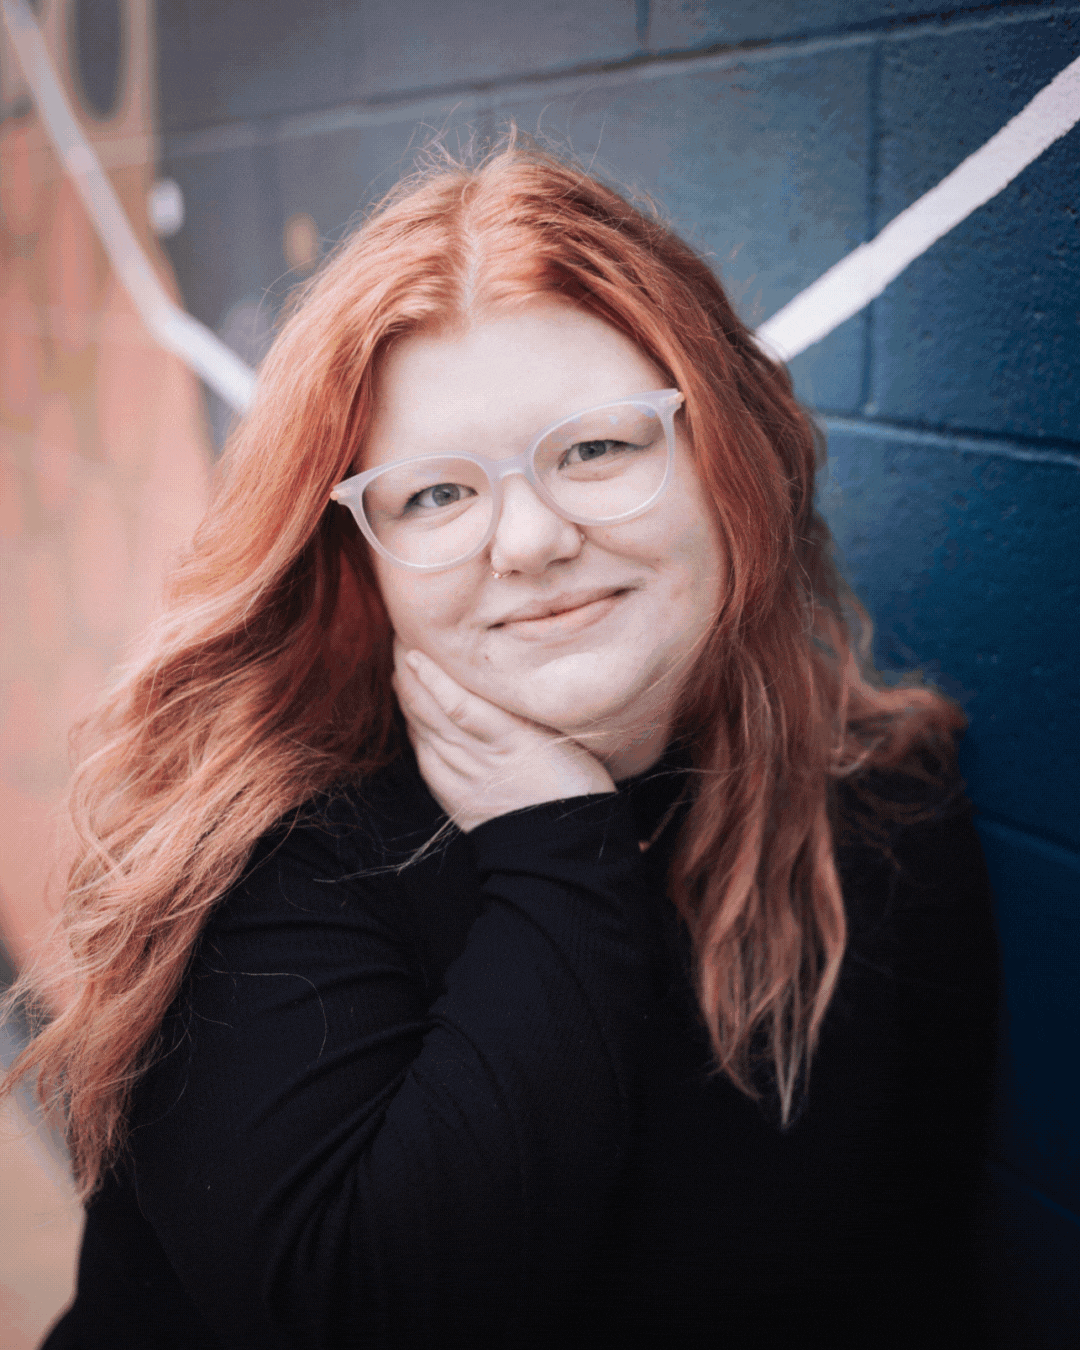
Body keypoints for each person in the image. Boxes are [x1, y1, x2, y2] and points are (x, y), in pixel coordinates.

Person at [3, 138, 997, 1349]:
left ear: (729, 454)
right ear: (360, 560)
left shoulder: (882, 807)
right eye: (435, 495)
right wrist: (557, 853)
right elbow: (351, 1310)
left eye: (598, 449)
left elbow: (918, 1269)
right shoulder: (267, 851)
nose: (526, 541)